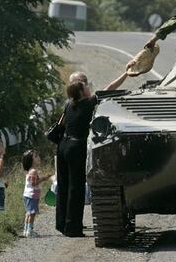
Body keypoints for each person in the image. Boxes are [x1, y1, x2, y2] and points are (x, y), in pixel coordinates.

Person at [56, 72, 128, 237]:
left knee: (64, 185)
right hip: (76, 147)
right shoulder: (88, 103)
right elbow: (110, 88)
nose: (88, 87)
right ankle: (73, 228)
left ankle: (62, 223)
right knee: (76, 187)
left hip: (63, 146)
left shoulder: (69, 104)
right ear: (82, 92)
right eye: (85, 86)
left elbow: (63, 123)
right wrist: (125, 74)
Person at [22, 149, 52, 238]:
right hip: (31, 195)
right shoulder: (33, 171)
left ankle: (26, 230)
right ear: (31, 160)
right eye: (35, 156)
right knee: (32, 213)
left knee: (28, 213)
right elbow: (34, 183)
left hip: (28, 195)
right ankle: (29, 231)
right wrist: (43, 178)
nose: (38, 157)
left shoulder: (31, 170)